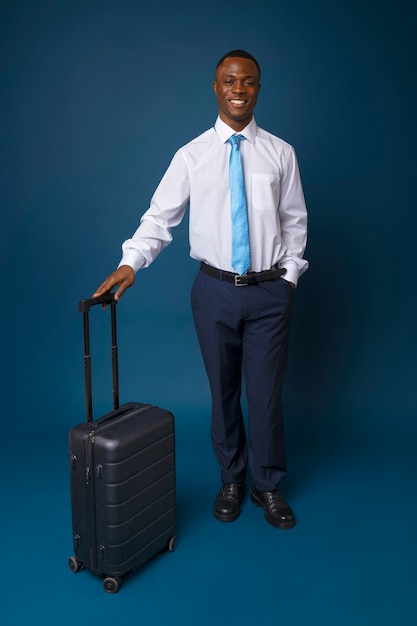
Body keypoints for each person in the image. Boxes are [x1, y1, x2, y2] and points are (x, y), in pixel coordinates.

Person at [93, 50, 308, 530]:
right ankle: (232, 478)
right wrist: (131, 263)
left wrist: (289, 277)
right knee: (223, 391)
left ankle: (267, 485)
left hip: (270, 293)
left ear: (257, 89)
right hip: (214, 292)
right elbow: (160, 217)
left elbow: (295, 221)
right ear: (215, 88)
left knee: (266, 395)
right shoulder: (191, 155)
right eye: (229, 81)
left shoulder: (280, 153)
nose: (238, 89)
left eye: (248, 82)